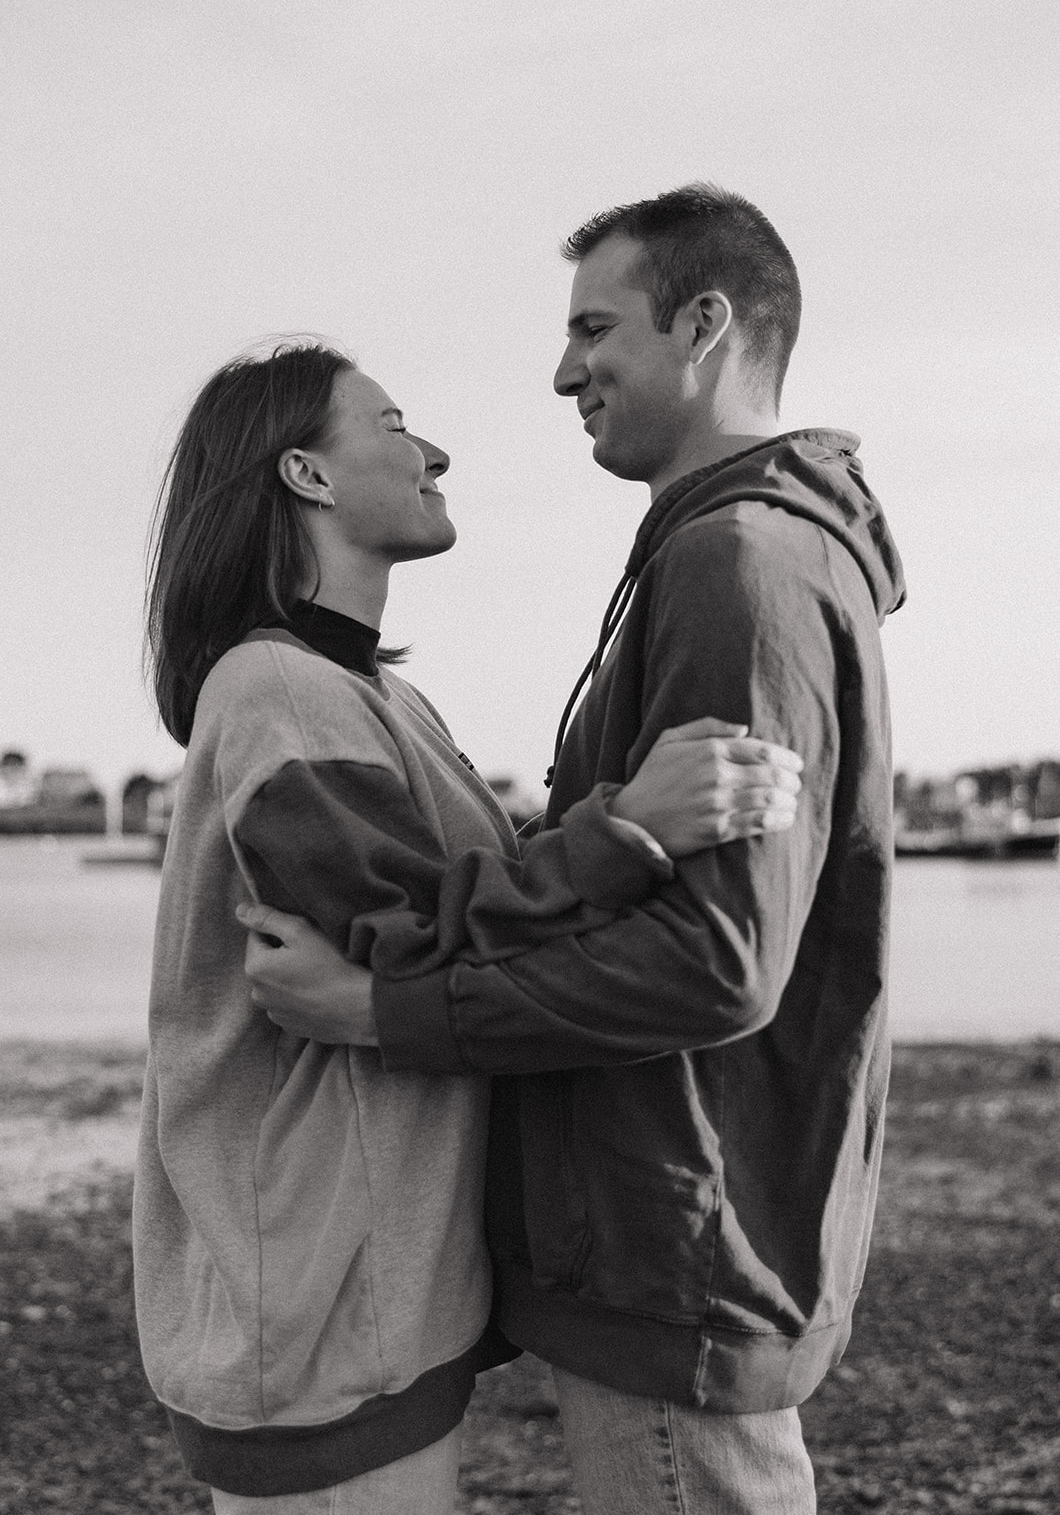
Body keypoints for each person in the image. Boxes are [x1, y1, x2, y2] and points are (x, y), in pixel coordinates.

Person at [239, 184, 907, 1514]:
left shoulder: (737, 566)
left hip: (675, 1253)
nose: (561, 373)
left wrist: (387, 1010)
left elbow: (713, 965)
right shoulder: (717, 556)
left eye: (592, 328)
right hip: (675, 1233)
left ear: (702, 325)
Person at [132, 339, 804, 1515]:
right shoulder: (274, 691)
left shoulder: (381, 695)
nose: (433, 449)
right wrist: (627, 828)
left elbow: (453, 924)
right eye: (391, 425)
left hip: (370, 1296)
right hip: (310, 1315)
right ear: (306, 475)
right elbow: (407, 936)